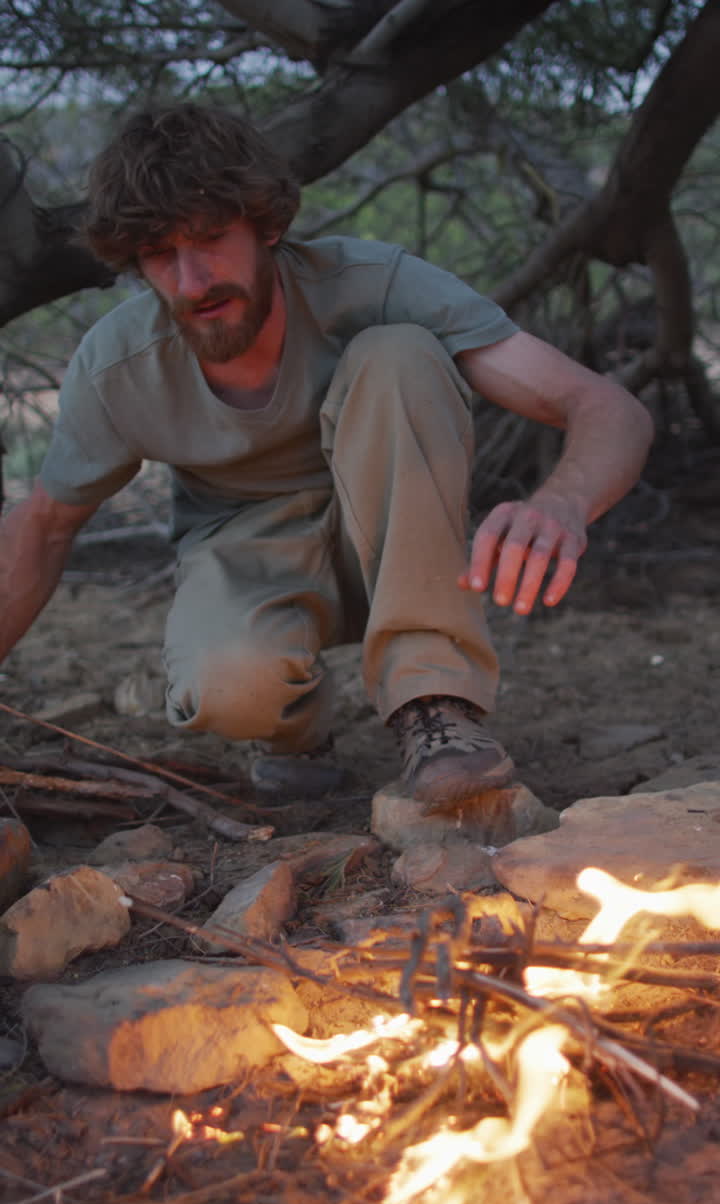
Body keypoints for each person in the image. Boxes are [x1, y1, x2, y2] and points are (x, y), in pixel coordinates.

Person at [0, 103, 653, 808]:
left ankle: (435, 703)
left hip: (398, 525)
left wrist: (562, 502)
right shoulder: (119, 365)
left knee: (397, 352)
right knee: (229, 688)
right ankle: (291, 730)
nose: (191, 282)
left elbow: (606, 406)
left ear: (268, 226)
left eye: (212, 238)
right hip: (249, 546)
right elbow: (44, 526)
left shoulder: (373, 284)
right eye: (160, 254)